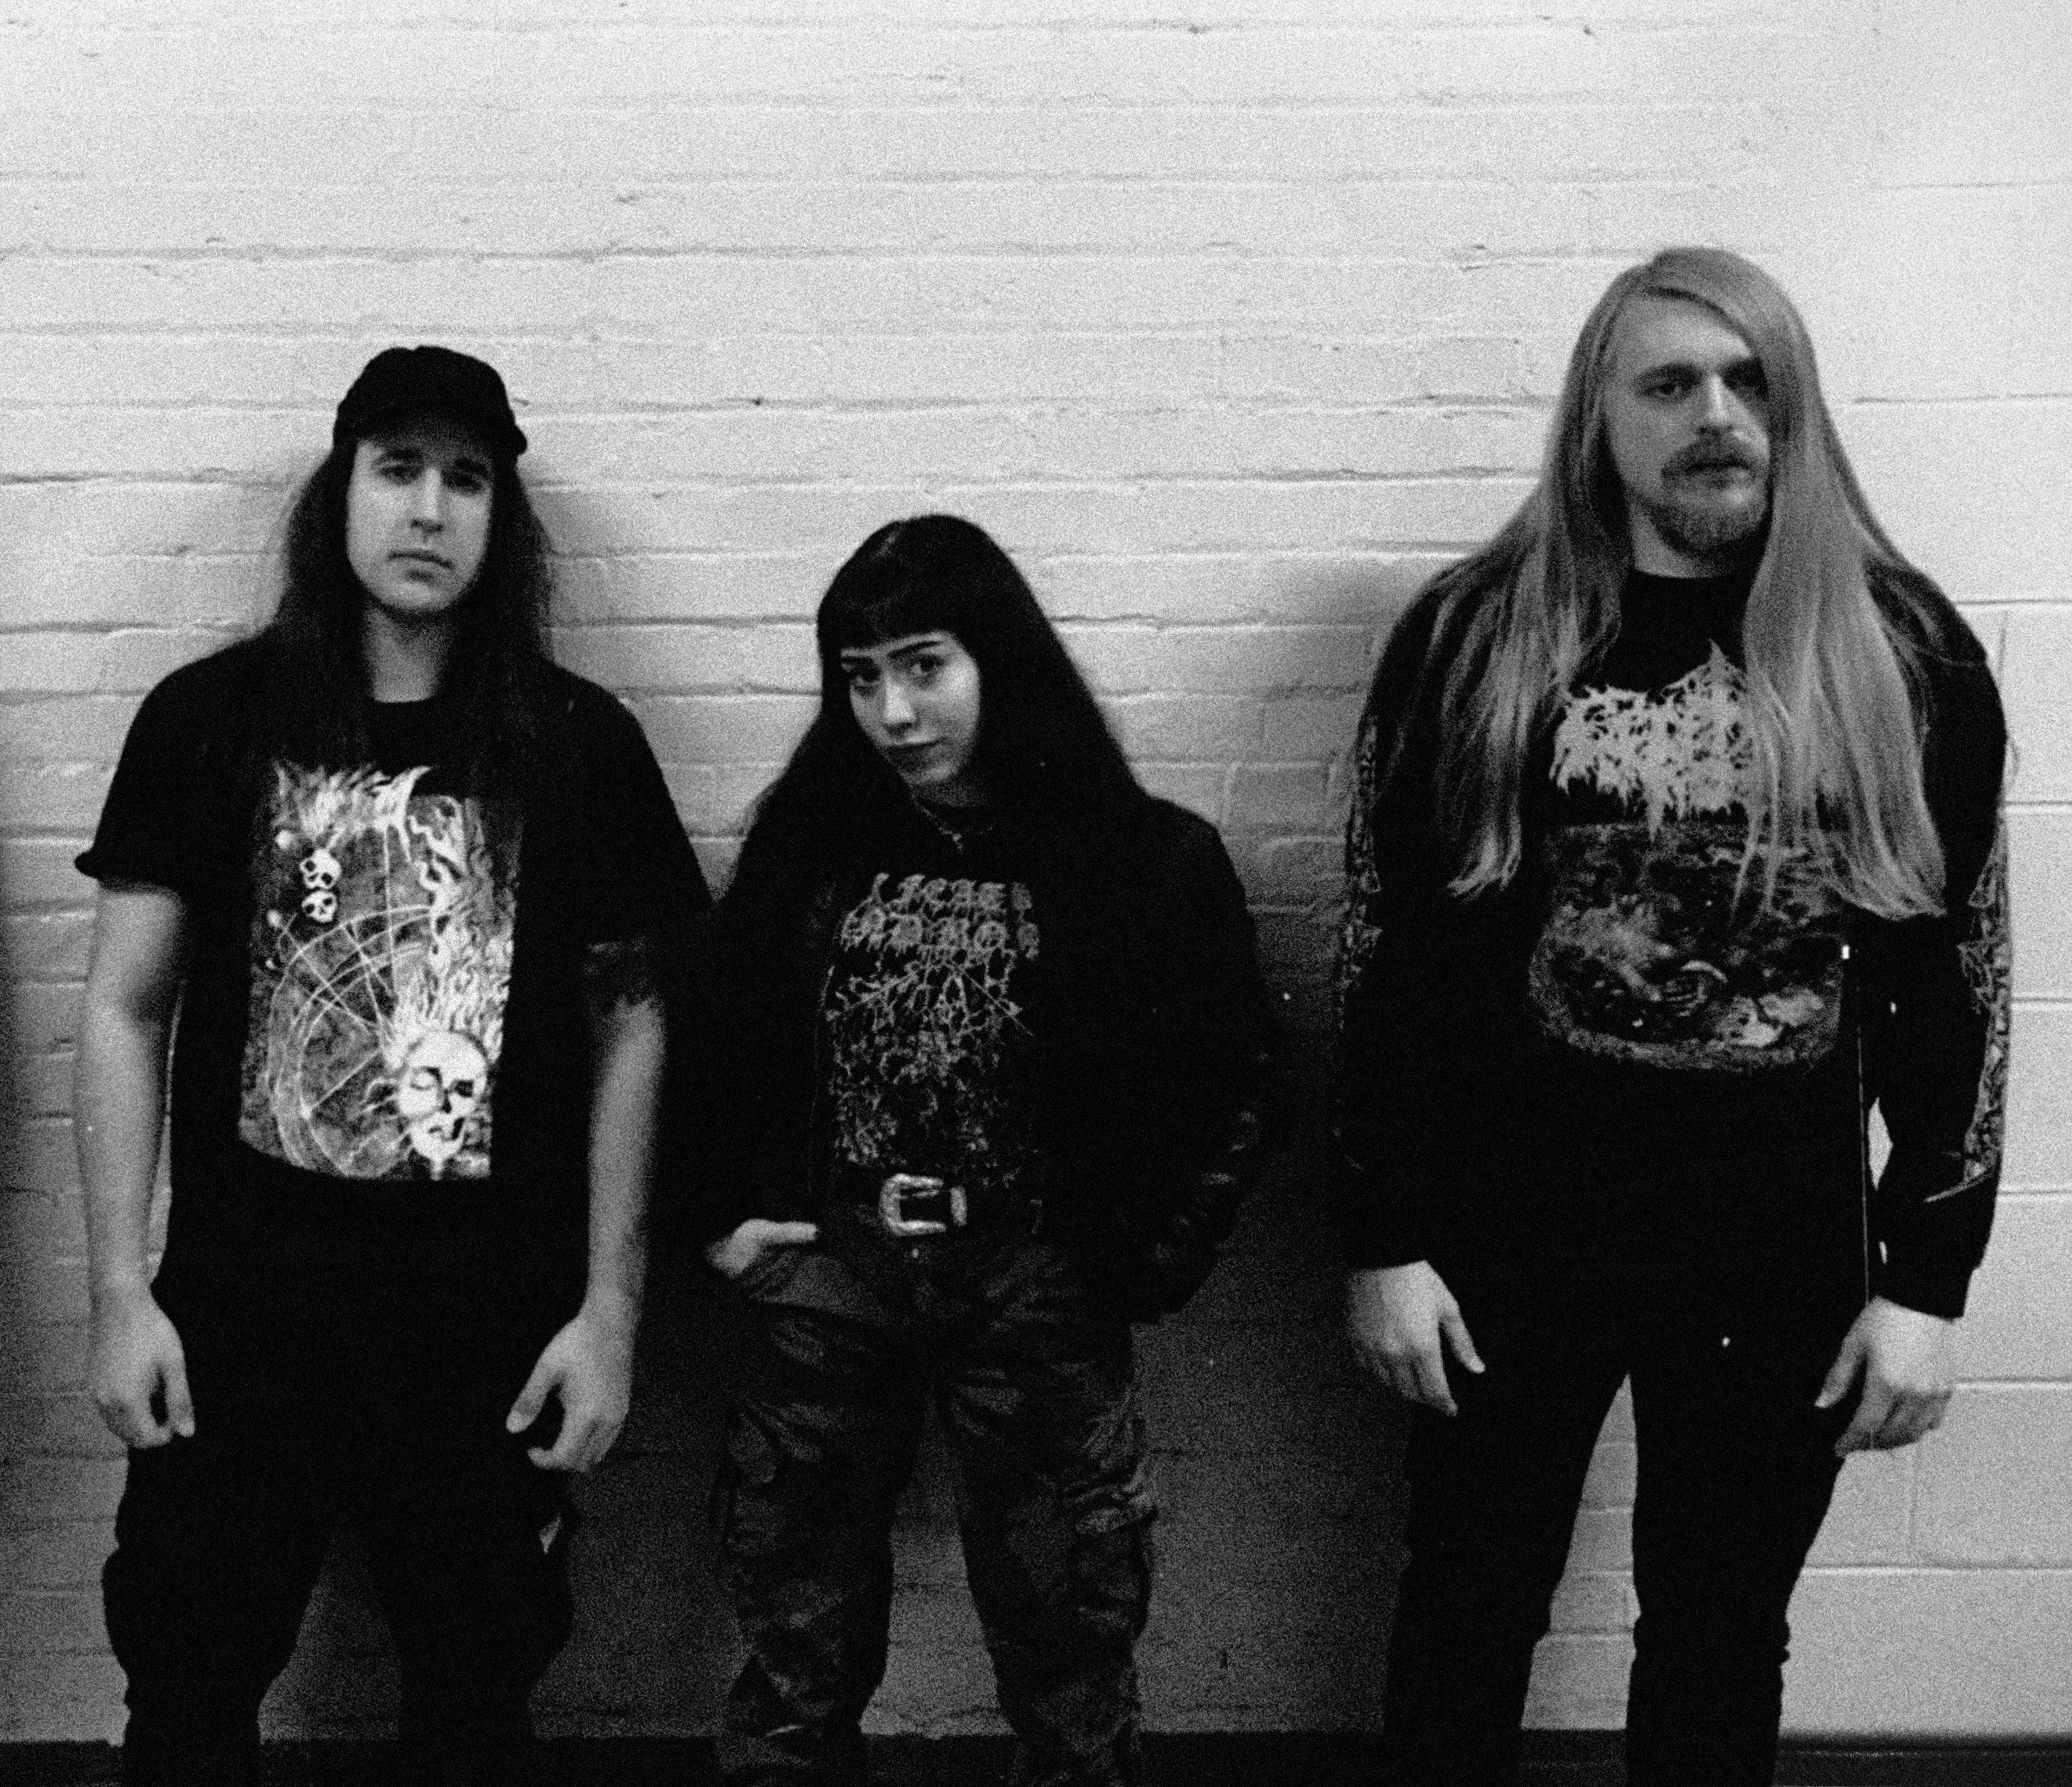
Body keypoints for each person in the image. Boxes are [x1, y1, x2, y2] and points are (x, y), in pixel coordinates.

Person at [1339, 247, 2009, 1786]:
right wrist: (1381, 1235)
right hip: (1510, 1228)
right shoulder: (1474, 637)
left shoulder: (1901, 651)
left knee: (1720, 1629)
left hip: (1775, 1241)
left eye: (1750, 380)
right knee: (1466, 1605)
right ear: (1600, 416)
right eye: (1670, 382)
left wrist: (1931, 1278)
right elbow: (1389, 959)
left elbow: (1955, 983)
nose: (1717, 414)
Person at [74, 345, 707, 1786]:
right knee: (185, 1689)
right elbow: (121, 1010)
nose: (429, 509)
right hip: (243, 1316)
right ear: (341, 492)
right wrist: (118, 1293)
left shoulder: (580, 745)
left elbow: (632, 1028)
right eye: (398, 469)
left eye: (466, 479)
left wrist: (610, 1313)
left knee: (476, 1702)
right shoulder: (208, 721)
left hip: (487, 1328)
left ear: (502, 520)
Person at [672, 515, 1277, 1786]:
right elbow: (714, 1041)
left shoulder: (1141, 856)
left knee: (1072, 1654)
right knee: (793, 1652)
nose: (894, 712)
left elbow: (1236, 1075)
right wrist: (725, 1218)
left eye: (926, 666)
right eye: (861, 677)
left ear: (1000, 658)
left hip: (1032, 1280)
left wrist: (1140, 1260)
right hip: (835, 1277)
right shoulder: (809, 848)